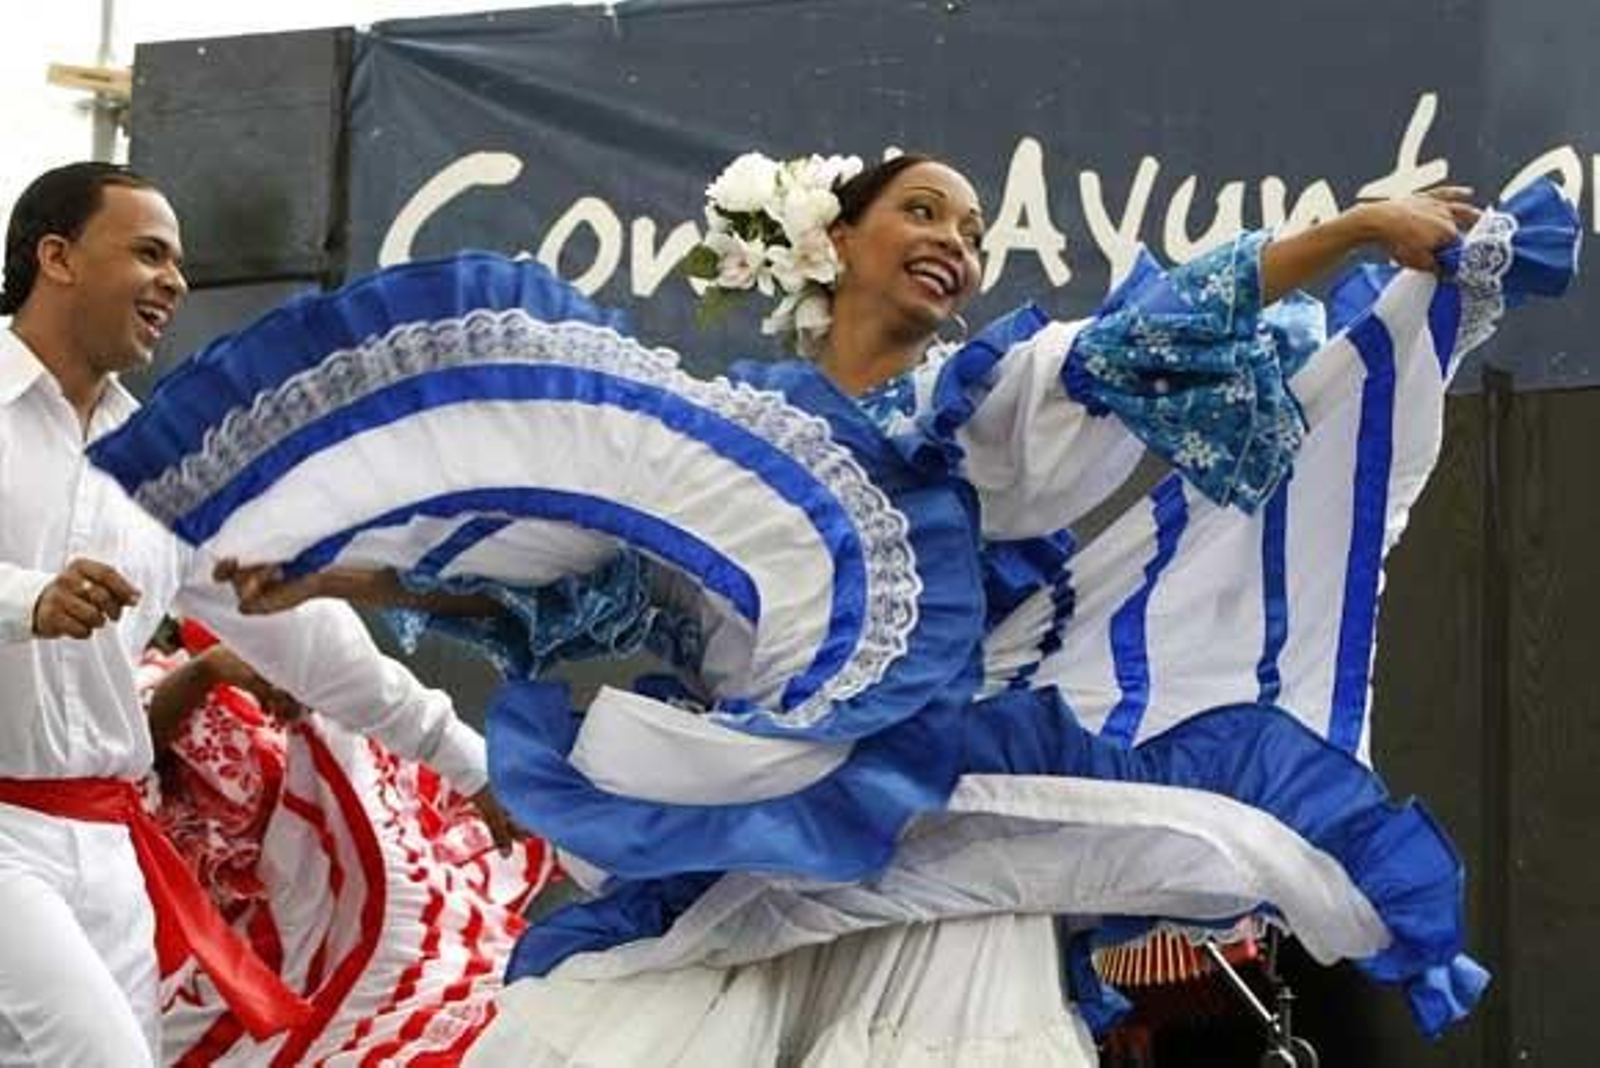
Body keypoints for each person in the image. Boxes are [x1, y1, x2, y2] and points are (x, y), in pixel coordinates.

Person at [90, 152, 1577, 1065]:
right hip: (755, 818)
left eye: (974, 225)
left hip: (935, 812)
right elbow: (586, 579)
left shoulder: (975, 407)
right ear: (839, 240)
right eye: (923, 209)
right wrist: (342, 574)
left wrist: (1358, 232)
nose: (955, 239)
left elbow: (1147, 333)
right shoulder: (726, 434)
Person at [0, 161, 513, 1067]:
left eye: (181, 261)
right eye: (150, 252)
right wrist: (24, 598)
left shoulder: (159, 469)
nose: (176, 281)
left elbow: (311, 645)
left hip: (113, 848)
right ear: (57, 257)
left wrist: (466, 765)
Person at [138, 620, 557, 1065]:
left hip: (368, 905)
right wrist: (203, 673)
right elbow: (111, 753)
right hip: (255, 954)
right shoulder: (140, 685)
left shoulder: (268, 641)